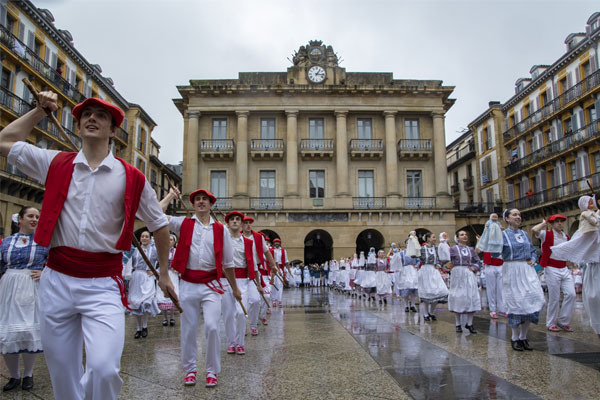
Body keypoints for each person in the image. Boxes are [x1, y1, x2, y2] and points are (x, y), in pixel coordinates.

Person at [0, 93, 173, 400]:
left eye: (101, 116)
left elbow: (159, 224)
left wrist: (165, 274)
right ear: (78, 125)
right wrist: (39, 111)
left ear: (113, 131)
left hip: (103, 283)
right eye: (86, 115)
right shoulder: (53, 162)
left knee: (104, 368)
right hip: (57, 279)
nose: (92, 118)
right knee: (63, 372)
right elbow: (4, 141)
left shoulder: (131, 177)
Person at [160, 188, 238, 387]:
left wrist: (235, 288)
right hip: (187, 283)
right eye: (197, 200)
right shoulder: (182, 223)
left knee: (212, 327)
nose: (201, 202)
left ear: (211, 204)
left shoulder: (221, 230)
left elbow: (228, 263)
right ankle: (190, 370)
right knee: (188, 329)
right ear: (193, 205)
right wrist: (170, 196)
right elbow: (156, 213)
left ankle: (212, 371)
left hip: (212, 285)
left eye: (205, 199)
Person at [0, 207, 48, 391]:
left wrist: (44, 272)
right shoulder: (6, 242)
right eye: (30, 216)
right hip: (9, 287)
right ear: (19, 219)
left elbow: (54, 262)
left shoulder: (43, 242)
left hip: (31, 286)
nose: (34, 219)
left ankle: (28, 374)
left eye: (37, 216)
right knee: (8, 332)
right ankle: (14, 376)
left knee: (28, 330)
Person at [501, 208, 545, 352]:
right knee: (516, 302)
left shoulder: (525, 234)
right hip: (512, 269)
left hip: (527, 270)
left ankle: (524, 336)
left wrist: (533, 259)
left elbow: (532, 250)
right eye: (514, 215)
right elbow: (495, 251)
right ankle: (515, 337)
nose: (518, 217)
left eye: (519, 215)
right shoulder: (503, 235)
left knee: (532, 299)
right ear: (507, 218)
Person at [224, 211, 260, 355]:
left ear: (241, 223)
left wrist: (257, 283)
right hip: (225, 279)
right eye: (231, 219)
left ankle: (240, 343)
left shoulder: (249, 242)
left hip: (242, 280)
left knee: (240, 313)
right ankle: (231, 342)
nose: (234, 221)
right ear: (227, 223)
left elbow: (253, 263)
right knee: (228, 314)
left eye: (237, 219)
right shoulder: (222, 239)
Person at [532, 214, 575, 332]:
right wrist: (543, 224)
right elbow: (534, 230)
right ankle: (551, 322)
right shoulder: (546, 234)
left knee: (571, 294)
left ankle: (563, 321)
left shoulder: (566, 237)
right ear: (552, 224)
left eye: (561, 221)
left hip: (564, 268)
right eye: (557, 221)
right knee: (554, 297)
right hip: (551, 268)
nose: (560, 223)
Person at [241, 216, 278, 334]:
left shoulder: (258, 237)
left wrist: (273, 265)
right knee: (242, 302)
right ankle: (243, 325)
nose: (248, 225)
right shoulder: (237, 236)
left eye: (249, 223)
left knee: (256, 300)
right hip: (240, 271)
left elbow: (266, 252)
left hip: (255, 271)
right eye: (245, 223)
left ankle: (253, 324)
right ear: (242, 225)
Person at [447, 231, 481, 333]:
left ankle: (469, 323)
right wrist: (448, 267)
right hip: (457, 273)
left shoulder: (470, 249)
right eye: (462, 235)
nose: (465, 236)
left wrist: (474, 267)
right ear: (457, 238)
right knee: (458, 296)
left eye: (466, 234)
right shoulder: (453, 249)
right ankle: (458, 323)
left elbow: (478, 261)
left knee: (471, 296)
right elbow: (445, 259)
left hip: (468, 273)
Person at [129, 230, 160, 338]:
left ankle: (145, 326)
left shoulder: (154, 250)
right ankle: (138, 328)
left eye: (147, 236)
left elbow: (163, 262)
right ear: (140, 239)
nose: (144, 238)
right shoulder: (135, 251)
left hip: (148, 278)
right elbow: (129, 263)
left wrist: (155, 272)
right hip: (137, 277)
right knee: (136, 302)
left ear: (150, 239)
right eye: (143, 236)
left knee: (146, 302)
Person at [418, 232, 448, 322]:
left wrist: (438, 265)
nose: (435, 239)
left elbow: (444, 258)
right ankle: (426, 313)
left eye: (435, 237)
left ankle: (431, 311)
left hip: (434, 270)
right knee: (427, 293)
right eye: (433, 237)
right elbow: (414, 256)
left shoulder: (437, 248)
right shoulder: (422, 249)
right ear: (428, 239)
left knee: (440, 291)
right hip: (425, 270)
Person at [156, 233, 180, 326]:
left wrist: (177, 268)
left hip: (173, 275)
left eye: (171, 240)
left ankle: (172, 317)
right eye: (167, 239)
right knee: (163, 294)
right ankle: (165, 318)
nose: (169, 241)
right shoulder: (161, 251)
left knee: (173, 294)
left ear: (174, 242)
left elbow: (180, 262)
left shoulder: (177, 251)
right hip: (163, 274)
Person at [398, 240, 419, 312]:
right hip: (405, 271)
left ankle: (413, 304)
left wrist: (416, 265)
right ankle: (406, 305)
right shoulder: (402, 253)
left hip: (413, 270)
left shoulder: (415, 252)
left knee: (413, 288)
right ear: (405, 244)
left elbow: (418, 260)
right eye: (407, 243)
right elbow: (399, 261)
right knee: (405, 288)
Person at [270, 238, 289, 308]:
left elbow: (286, 261)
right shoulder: (271, 250)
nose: (277, 243)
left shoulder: (283, 251)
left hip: (280, 269)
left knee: (280, 285)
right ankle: (274, 300)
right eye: (275, 242)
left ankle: (280, 300)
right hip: (272, 268)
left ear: (280, 243)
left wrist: (287, 270)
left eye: (278, 242)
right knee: (273, 284)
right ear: (274, 243)